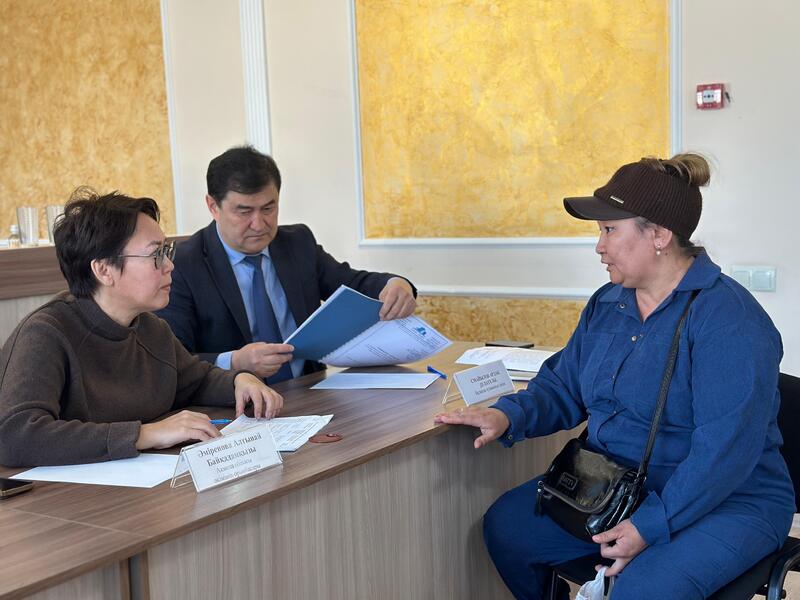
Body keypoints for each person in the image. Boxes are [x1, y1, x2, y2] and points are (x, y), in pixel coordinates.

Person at [435, 154, 795, 599]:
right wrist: (507, 416)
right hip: (619, 485)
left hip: (727, 499)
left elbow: (724, 452)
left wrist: (648, 526)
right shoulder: (608, 303)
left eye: (609, 230)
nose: (599, 247)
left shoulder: (730, 320)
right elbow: (564, 385)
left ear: (659, 235)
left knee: (640, 590)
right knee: (508, 529)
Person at [0, 189, 282, 468]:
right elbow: (15, 436)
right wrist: (143, 434)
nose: (169, 265)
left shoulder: (150, 328)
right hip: (65, 495)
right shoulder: (46, 333)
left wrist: (240, 381)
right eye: (156, 254)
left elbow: (196, 381)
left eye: (166, 251)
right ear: (104, 270)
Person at [156, 145, 417, 384]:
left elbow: (353, 283)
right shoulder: (183, 264)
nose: (259, 224)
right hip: (235, 404)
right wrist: (234, 361)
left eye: (268, 209)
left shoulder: (297, 243)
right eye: (244, 212)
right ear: (213, 206)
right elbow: (172, 360)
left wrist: (395, 284)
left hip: (309, 390)